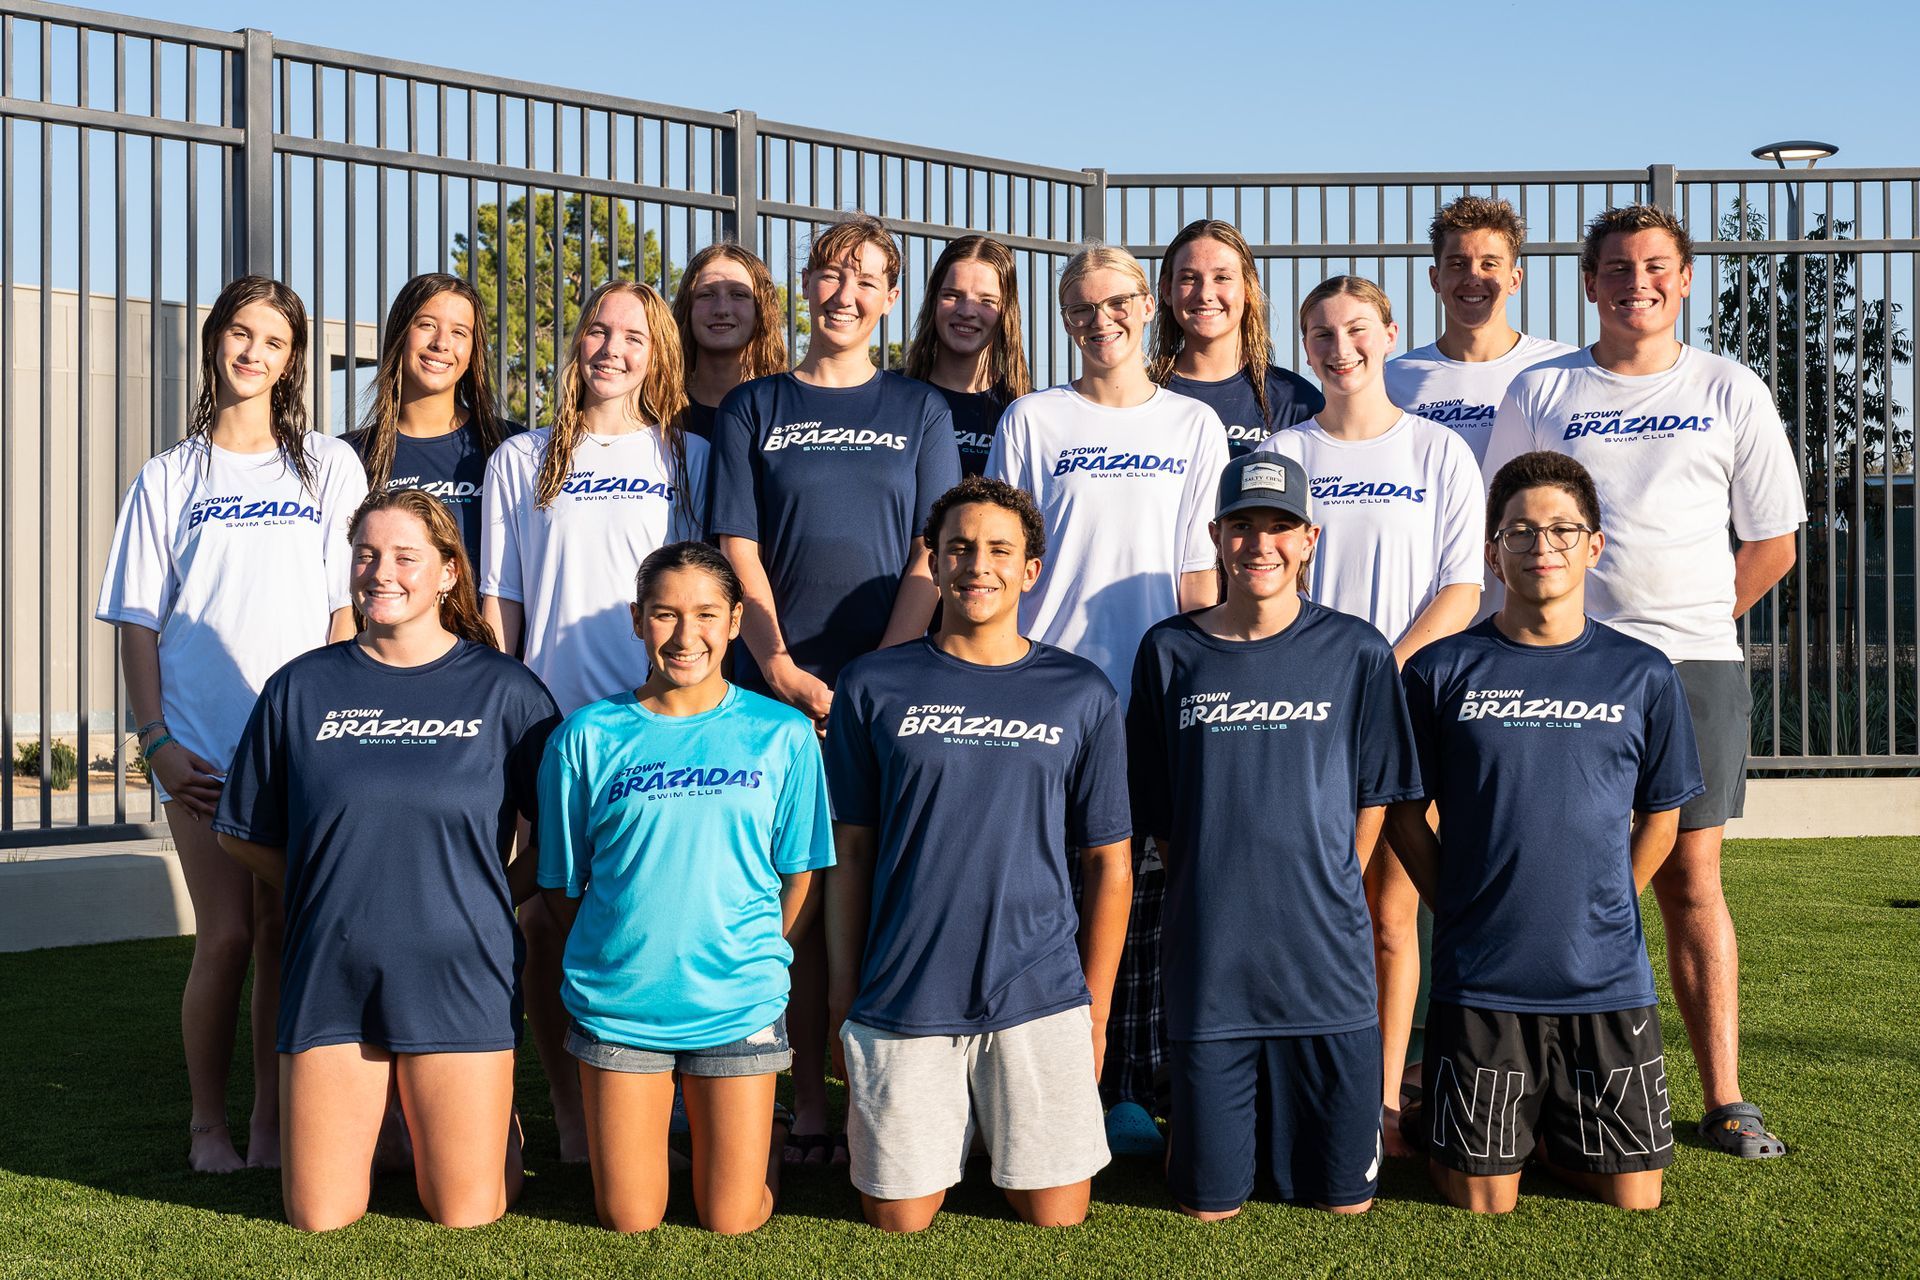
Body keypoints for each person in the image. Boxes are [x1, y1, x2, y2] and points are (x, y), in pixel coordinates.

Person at [1480, 204, 1805, 1159]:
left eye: (1656, 266)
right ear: (1588, 284)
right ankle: (1542, 1085)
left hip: (1692, 662)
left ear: (1686, 277)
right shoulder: (1543, 390)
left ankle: (1726, 1097)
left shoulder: (1728, 386)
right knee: (1547, 866)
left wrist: (1691, 624)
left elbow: (1775, 542)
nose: (1637, 283)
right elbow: (1502, 527)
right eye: (1616, 268)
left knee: (1689, 880)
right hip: (1557, 664)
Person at [213, 489, 559, 1231]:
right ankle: (407, 1120)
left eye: (405, 556)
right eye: (367, 554)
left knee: (466, 1211)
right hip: (332, 971)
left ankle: (496, 1122)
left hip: (459, 969)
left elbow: (562, 839)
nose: (381, 572)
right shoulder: (301, 688)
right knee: (320, 1215)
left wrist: (494, 895)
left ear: (446, 574)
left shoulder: (507, 692)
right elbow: (238, 832)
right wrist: (318, 888)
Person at [96, 275, 366, 1173]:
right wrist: (158, 742)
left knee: (288, 929)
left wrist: (332, 724)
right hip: (202, 746)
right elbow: (140, 620)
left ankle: (271, 1123)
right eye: (240, 334)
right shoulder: (170, 475)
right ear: (217, 341)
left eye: (275, 342)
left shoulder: (329, 465)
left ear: (294, 361)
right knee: (229, 935)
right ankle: (207, 1121)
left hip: (299, 742)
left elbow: (345, 610)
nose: (253, 353)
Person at [1387, 450, 1705, 1213]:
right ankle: (1470, 1131)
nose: (1543, 548)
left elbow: (1664, 815)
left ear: (1594, 546)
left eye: (1563, 531)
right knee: (1482, 1200)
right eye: (1521, 533)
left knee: (1635, 1199)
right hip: (1485, 978)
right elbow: (1402, 810)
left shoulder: (1642, 673)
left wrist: (1612, 898)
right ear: (1494, 552)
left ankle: (1551, 1135)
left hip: (1605, 982)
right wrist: (1455, 899)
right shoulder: (1440, 672)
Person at [709, 212, 962, 1167]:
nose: (845, 294)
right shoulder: (755, 407)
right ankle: (799, 1103)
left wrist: (876, 677)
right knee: (791, 900)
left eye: (865, 280)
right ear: (805, 289)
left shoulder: (919, 410)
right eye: (829, 275)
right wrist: (776, 664)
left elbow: (927, 551)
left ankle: (878, 1098)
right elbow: (739, 546)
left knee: (876, 893)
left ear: (891, 298)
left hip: (884, 690)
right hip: (773, 691)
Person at [823, 476, 1132, 1232]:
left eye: (1000, 549)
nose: (977, 565)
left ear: (1031, 569)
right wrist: (842, 993)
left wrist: (1092, 1013)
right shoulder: (873, 683)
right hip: (907, 987)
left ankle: (992, 1128)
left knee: (1057, 1214)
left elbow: (1109, 863)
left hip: (1039, 988)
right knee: (901, 1217)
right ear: (932, 560)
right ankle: (951, 1128)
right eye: (958, 547)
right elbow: (850, 851)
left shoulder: (1080, 691)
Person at [1129, 451, 1421, 1219]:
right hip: (1212, 969)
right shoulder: (1170, 652)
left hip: (1325, 973)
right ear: (1218, 536)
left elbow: (1375, 798)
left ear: (1310, 538)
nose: (1262, 544)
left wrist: (1330, 882)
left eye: (1280, 527)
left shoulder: (1356, 652)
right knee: (1209, 1205)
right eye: (1244, 526)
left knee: (1345, 1204)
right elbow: (1159, 815)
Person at [987, 243, 1228, 1151]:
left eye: (1118, 302)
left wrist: (1200, 684)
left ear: (1147, 306)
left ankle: (1126, 1082)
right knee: (1046, 885)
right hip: (1046, 691)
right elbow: (1004, 553)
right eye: (1082, 310)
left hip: (1148, 693)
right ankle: (1031, 1072)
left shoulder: (1193, 427)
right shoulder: (1034, 419)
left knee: (1143, 893)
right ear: (1064, 321)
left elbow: (1198, 576)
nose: (1103, 321)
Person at [537, 541, 833, 1234]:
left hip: (737, 1001)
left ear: (734, 622)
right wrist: (622, 949)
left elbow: (801, 875)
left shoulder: (783, 735)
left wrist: (751, 955)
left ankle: (764, 1137)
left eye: (705, 614)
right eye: (665, 615)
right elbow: (562, 885)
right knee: (629, 1217)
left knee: (732, 1217)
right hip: (621, 1007)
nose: (685, 635)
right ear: (638, 620)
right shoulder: (584, 737)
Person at [1252, 274, 1483, 1154]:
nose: (1339, 346)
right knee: (1305, 906)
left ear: (1390, 334)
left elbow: (1461, 587)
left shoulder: (1436, 453)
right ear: (1304, 346)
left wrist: (1379, 672)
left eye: (1356, 329)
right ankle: (1296, 1084)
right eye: (1320, 333)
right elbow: (1264, 577)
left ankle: (1381, 1101)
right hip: (1298, 715)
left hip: (1403, 710)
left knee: (1390, 912)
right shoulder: (1286, 454)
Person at [480, 278, 708, 1162]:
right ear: (576, 342)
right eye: (598, 331)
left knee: (660, 911)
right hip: (555, 727)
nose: (612, 349)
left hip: (657, 723)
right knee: (545, 919)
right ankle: (575, 1117)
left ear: (658, 358)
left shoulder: (685, 458)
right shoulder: (522, 459)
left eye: (634, 339)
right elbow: (502, 601)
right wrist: (506, 718)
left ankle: (676, 1109)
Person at [344, 272, 522, 568]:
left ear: (473, 351)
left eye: (459, 332)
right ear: (400, 335)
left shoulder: (512, 448)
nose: (441, 343)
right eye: (427, 325)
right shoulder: (351, 456)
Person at [1382, 197, 1575, 468]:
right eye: (1458, 264)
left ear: (1514, 279)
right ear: (1435, 279)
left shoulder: (1563, 370)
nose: (1473, 278)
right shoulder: (1393, 380)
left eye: (1489, 264)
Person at [1149, 219, 1322, 457]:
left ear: (1249, 288)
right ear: (1167, 290)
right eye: (1189, 278)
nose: (1205, 294)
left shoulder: (1295, 399)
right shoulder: (1141, 393)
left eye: (1222, 278)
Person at [903, 234, 1033, 475]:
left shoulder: (1027, 411)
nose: (967, 311)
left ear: (1006, 311)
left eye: (987, 301)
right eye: (952, 295)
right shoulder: (895, 399)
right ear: (934, 300)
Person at [672, 242, 789, 442]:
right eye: (707, 294)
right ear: (687, 308)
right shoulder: (657, 410)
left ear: (761, 311)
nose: (721, 309)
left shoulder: (787, 410)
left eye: (738, 295)